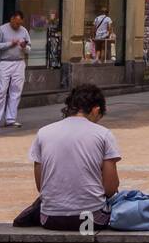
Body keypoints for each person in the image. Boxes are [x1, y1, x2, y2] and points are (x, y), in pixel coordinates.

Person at [13, 85, 121, 231]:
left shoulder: (44, 133)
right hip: (90, 220)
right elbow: (110, 188)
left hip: (50, 218)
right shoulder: (103, 134)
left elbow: (41, 185)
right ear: (96, 110)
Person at [0, 10, 30, 129]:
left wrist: (24, 47)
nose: (17, 25)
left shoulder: (24, 31)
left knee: (16, 91)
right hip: (5, 62)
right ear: (11, 19)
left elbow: (29, 48)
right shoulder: (2, 29)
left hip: (19, 62)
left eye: (19, 23)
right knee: (1, 91)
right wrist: (9, 44)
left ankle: (11, 119)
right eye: (16, 23)